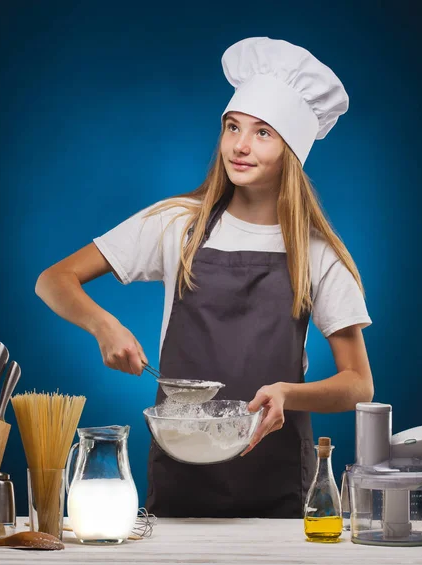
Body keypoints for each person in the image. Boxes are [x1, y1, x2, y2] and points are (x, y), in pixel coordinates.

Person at [35, 36, 374, 519]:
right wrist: (103, 325)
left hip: (275, 485)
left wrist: (288, 394)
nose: (239, 145)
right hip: (181, 479)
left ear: (290, 152)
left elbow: (359, 383)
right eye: (232, 127)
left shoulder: (315, 253)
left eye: (262, 133)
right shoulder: (179, 225)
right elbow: (54, 279)